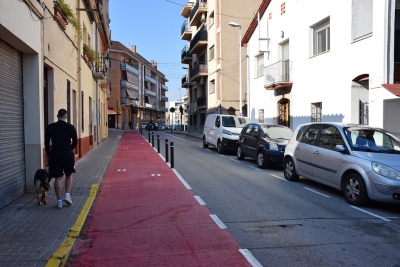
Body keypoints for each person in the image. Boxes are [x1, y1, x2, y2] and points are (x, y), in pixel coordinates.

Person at [45, 109, 78, 208]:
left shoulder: (50, 127)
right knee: (69, 174)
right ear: (66, 116)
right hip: (67, 154)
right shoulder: (71, 127)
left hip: (55, 154)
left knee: (57, 178)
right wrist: (69, 149)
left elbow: (46, 143)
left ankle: (59, 202)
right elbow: (75, 142)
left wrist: (49, 154)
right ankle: (67, 195)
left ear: (57, 115)